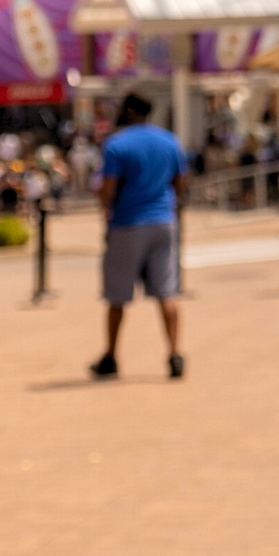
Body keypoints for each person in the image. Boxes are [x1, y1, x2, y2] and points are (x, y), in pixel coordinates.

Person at [93, 93, 189, 381]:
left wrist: (106, 213)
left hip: (128, 223)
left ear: (130, 110)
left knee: (117, 297)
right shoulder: (169, 141)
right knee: (166, 292)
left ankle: (111, 356)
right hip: (163, 221)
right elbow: (180, 182)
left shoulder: (117, 144)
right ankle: (174, 354)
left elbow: (108, 189)